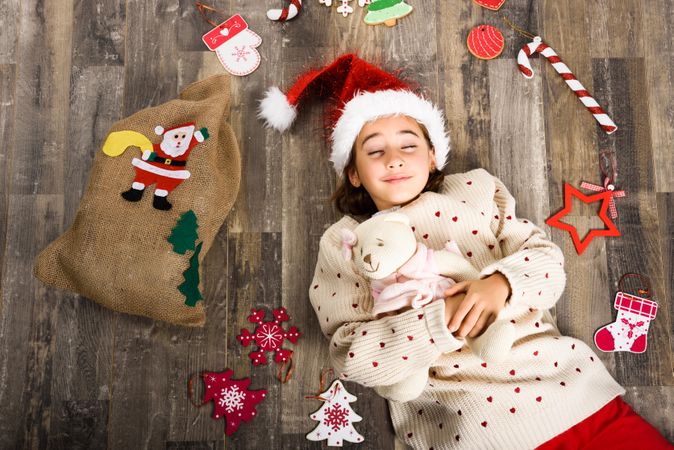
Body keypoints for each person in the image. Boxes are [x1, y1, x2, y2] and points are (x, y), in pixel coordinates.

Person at [259, 54, 672, 449]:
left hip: (575, 401)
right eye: (374, 151)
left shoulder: (473, 190)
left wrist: (499, 284)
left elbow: (548, 265)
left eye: (408, 145)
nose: (394, 160)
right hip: (469, 430)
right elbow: (351, 356)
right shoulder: (345, 242)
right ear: (353, 173)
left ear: (433, 156)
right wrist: (438, 324)